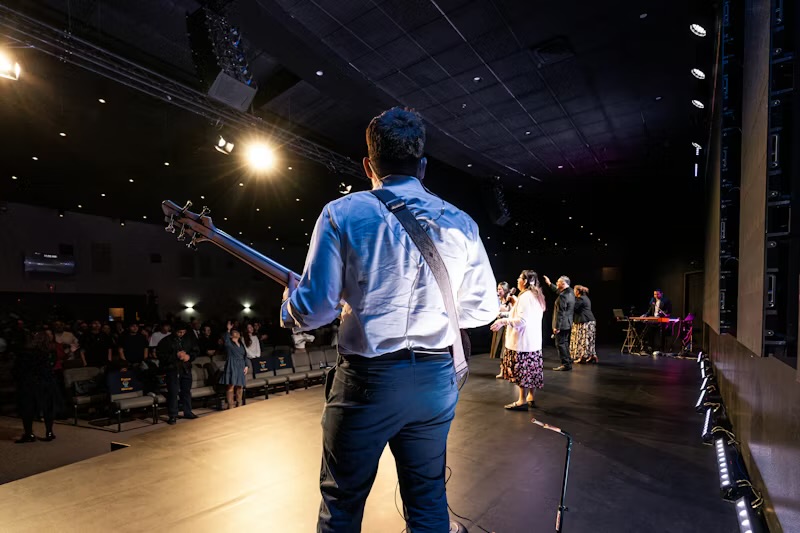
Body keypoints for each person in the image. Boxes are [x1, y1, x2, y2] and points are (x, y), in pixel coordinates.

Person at [280, 107, 497, 532]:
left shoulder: (342, 213)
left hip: (367, 382)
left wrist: (290, 304)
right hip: (436, 380)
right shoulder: (461, 223)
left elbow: (315, 309)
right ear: (422, 166)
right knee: (428, 500)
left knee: (342, 502)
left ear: (368, 165)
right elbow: (483, 310)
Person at [491, 270, 546, 409]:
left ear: (525, 281)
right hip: (533, 342)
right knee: (531, 371)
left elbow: (521, 320)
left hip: (523, 342)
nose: (517, 280)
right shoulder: (536, 295)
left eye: (520, 278)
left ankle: (521, 400)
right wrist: (505, 314)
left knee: (522, 372)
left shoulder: (525, 297)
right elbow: (520, 314)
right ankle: (530, 397)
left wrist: (503, 321)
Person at [13, 331, 59, 443]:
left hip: (30, 383)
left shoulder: (27, 352)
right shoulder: (50, 352)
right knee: (48, 408)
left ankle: (29, 434)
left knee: (28, 408)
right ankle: (49, 432)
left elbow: (18, 369)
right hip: (47, 382)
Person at [157, 323, 198, 425]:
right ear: (174, 331)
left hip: (186, 368)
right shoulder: (166, 341)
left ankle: (187, 412)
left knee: (186, 391)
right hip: (172, 369)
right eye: (179, 332)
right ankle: (173, 415)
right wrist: (176, 355)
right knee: (173, 392)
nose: (181, 334)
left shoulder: (188, 339)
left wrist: (189, 356)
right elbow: (161, 356)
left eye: (183, 332)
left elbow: (196, 350)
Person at [543, 275, 575, 371]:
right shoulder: (570, 292)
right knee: (564, 343)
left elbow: (561, 313)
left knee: (560, 344)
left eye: (558, 282)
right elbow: (557, 290)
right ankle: (568, 362)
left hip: (562, 324)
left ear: (563, 283)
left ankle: (565, 364)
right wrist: (549, 284)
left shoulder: (563, 296)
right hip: (567, 323)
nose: (556, 283)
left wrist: (557, 327)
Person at [220, 321, 248, 409]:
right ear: (231, 335)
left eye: (237, 332)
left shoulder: (241, 345)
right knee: (231, 385)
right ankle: (230, 405)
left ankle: (239, 404)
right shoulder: (229, 344)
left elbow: (245, 355)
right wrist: (228, 330)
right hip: (232, 364)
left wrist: (246, 366)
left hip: (241, 365)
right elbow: (225, 338)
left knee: (240, 385)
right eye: (233, 333)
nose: (236, 334)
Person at [491, 282, 515, 378]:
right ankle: (502, 371)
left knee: (506, 349)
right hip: (499, 327)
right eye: (498, 289)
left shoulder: (511, 298)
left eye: (500, 289)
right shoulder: (498, 300)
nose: (498, 291)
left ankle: (509, 371)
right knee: (500, 349)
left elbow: (514, 313)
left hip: (507, 326)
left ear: (505, 290)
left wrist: (502, 315)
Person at [571, 285, 597, 364]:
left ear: (578, 291)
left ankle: (583, 357)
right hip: (589, 321)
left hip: (585, 322)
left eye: (574, 291)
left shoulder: (581, 299)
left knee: (583, 339)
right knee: (589, 340)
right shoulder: (586, 298)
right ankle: (592, 356)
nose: (573, 292)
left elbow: (574, 307)